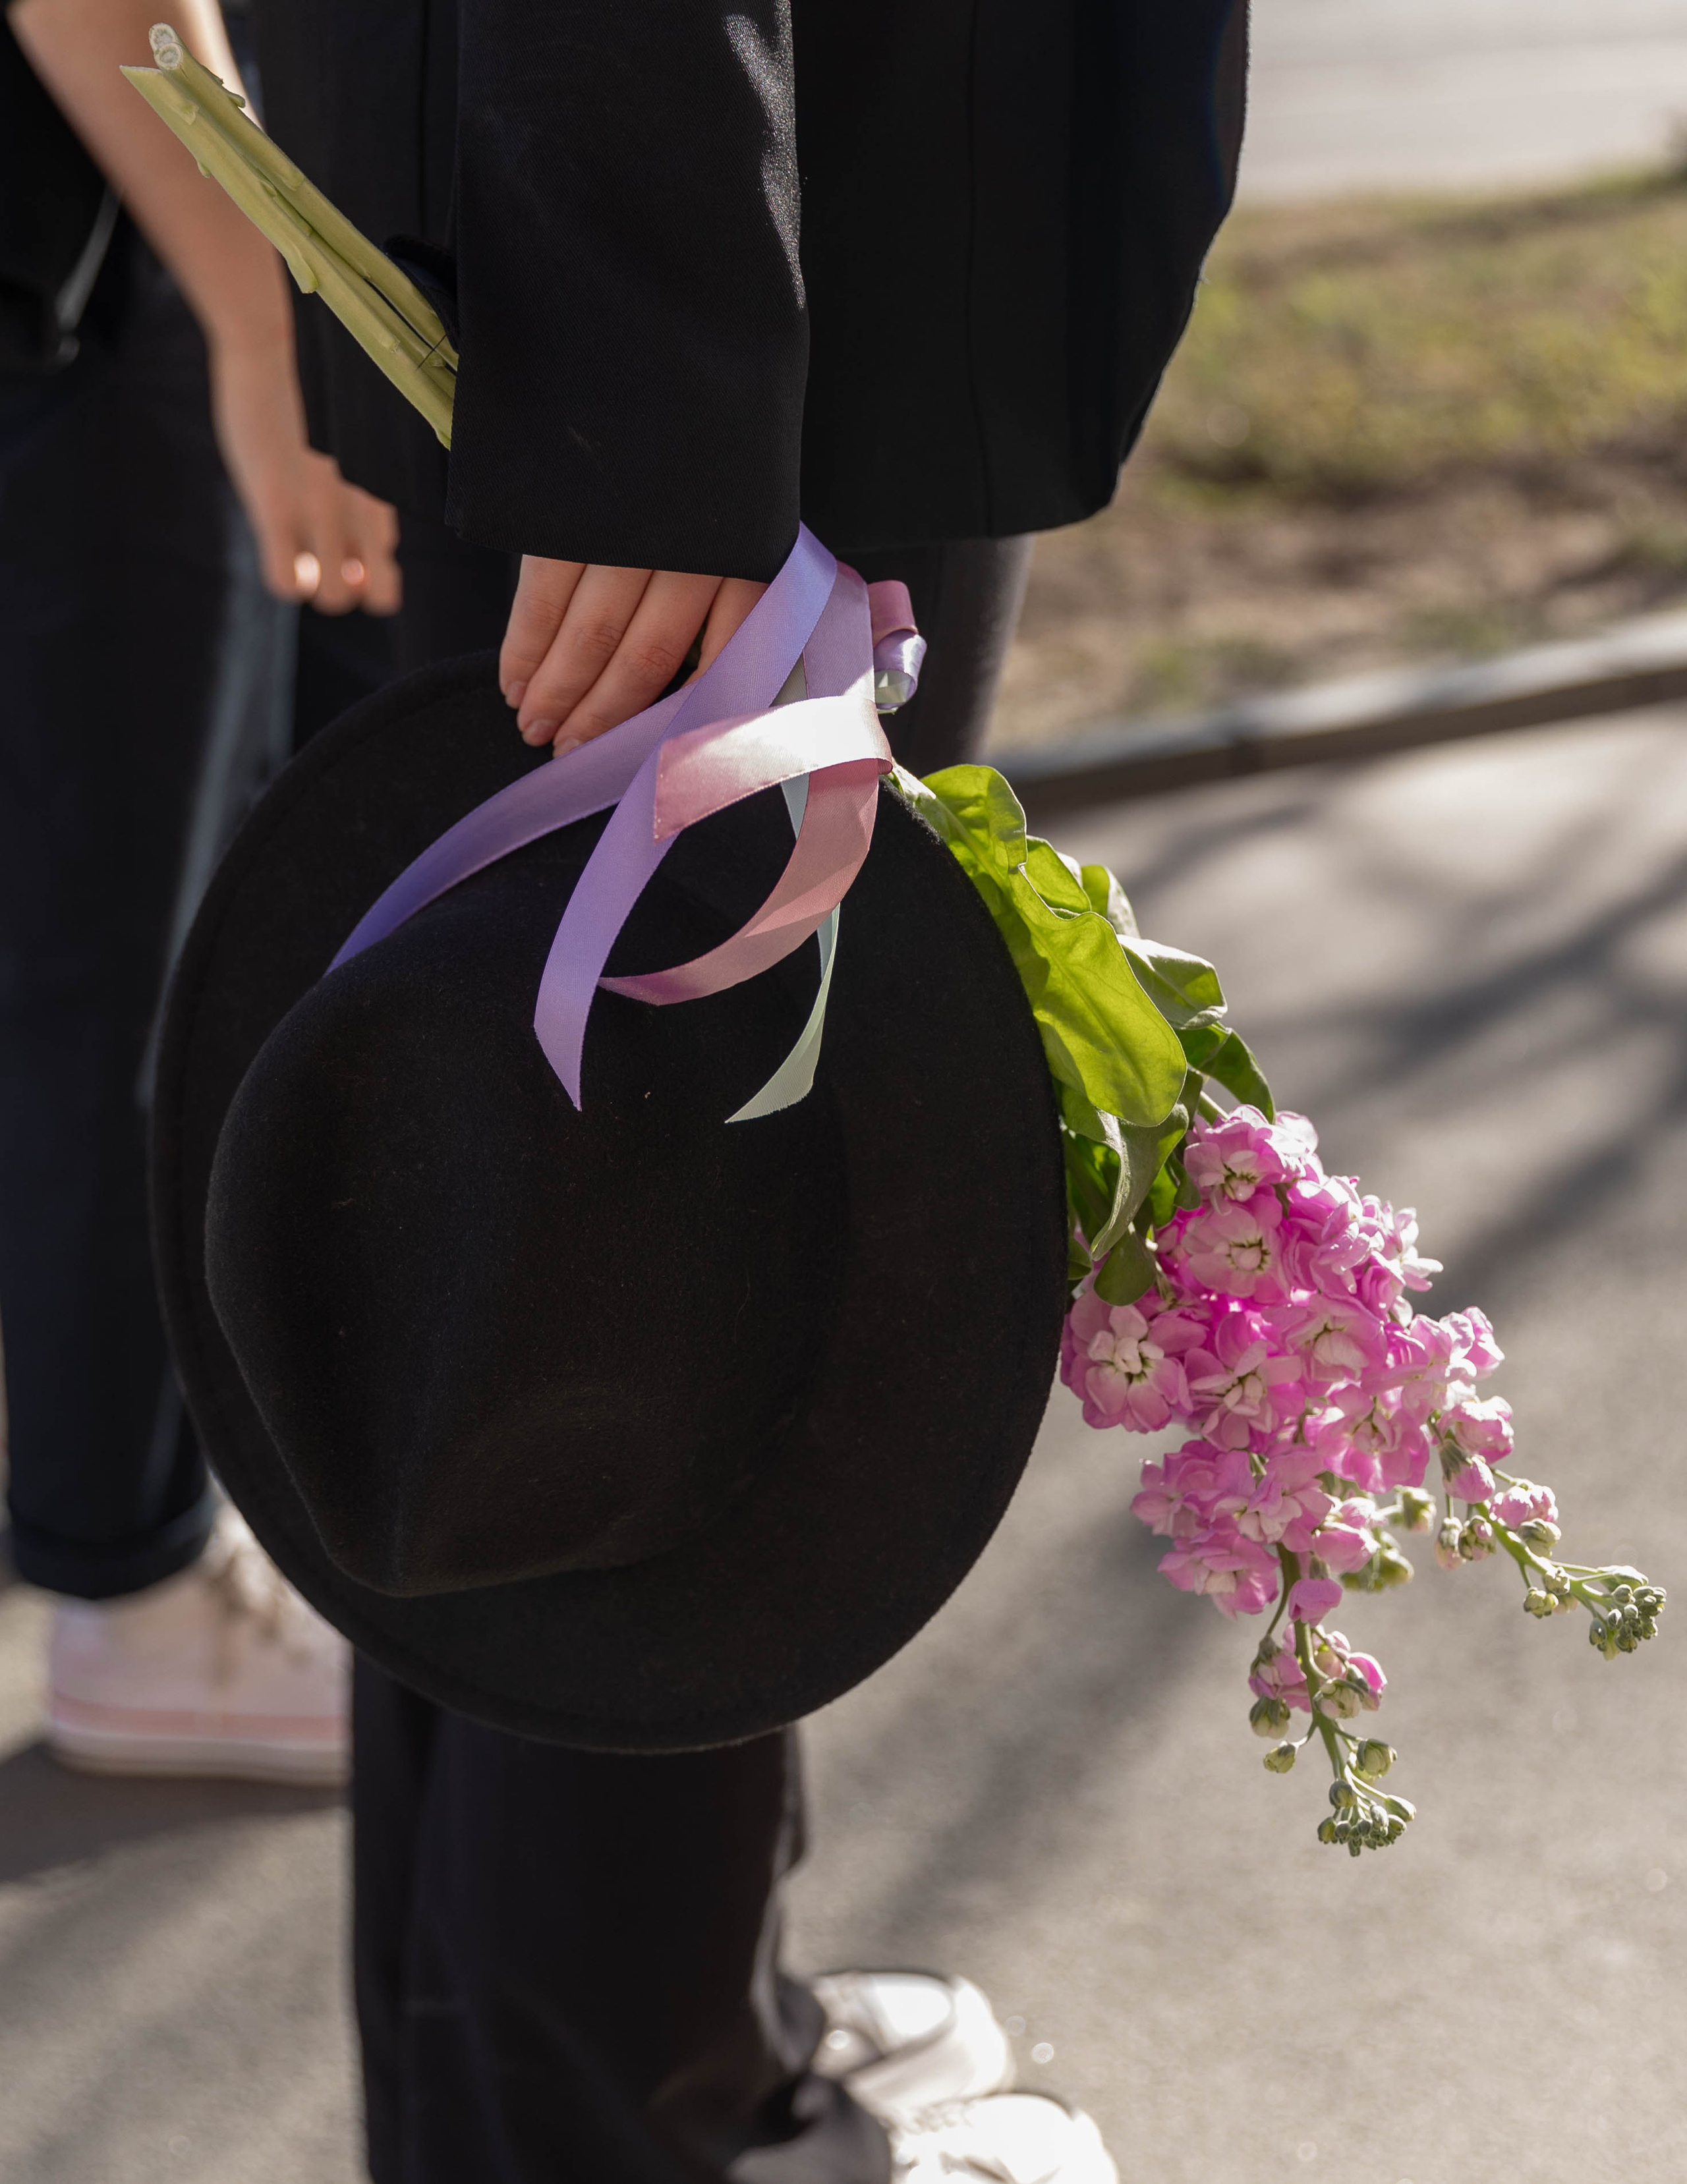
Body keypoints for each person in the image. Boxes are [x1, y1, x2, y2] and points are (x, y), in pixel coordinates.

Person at [131, 0, 1245, 2174]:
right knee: (667, 1230)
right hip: (743, 254)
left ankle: (564, 2076)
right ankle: (640, 2117)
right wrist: (664, 377)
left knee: (501, 1210)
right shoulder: (690, 345)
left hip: (681, 227)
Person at [2, 0, 401, 1780]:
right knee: (132, 961)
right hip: (102, 255)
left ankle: (136, 1552)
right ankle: (139, 1595)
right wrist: (266, 312)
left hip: (104, 233)